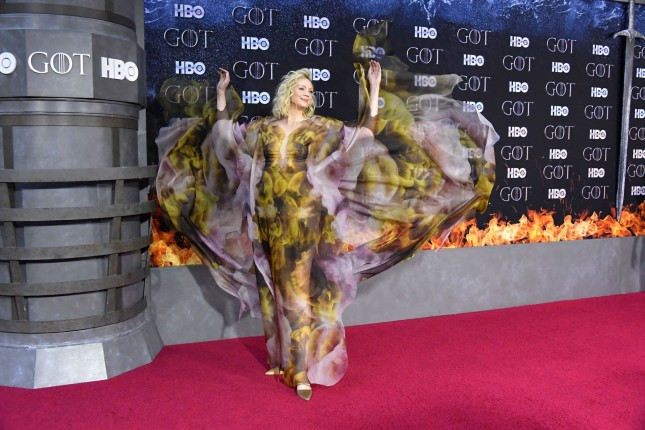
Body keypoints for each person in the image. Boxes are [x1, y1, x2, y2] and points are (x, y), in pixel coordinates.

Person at [155, 29, 497, 401]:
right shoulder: (264, 128)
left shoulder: (320, 128)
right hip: (266, 220)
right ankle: (280, 358)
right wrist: (222, 95)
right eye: (302, 88)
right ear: (289, 92)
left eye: (311, 90)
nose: (308, 93)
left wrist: (374, 90)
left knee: (298, 292)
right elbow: (225, 138)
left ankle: (300, 370)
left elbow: (362, 135)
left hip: (304, 219)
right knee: (271, 287)